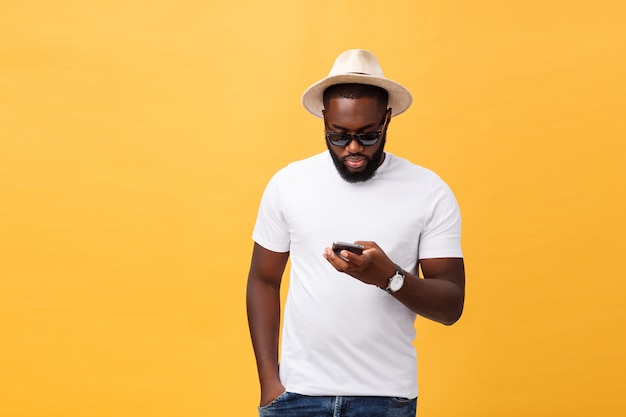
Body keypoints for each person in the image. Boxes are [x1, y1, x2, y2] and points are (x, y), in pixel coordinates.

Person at [246, 49, 465, 417]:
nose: (352, 149)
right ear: (324, 119)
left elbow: (451, 304)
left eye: (367, 136)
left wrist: (389, 278)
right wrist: (270, 382)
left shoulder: (428, 190)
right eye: (338, 135)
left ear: (388, 119)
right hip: (297, 396)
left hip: (386, 398)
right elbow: (263, 280)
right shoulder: (289, 184)